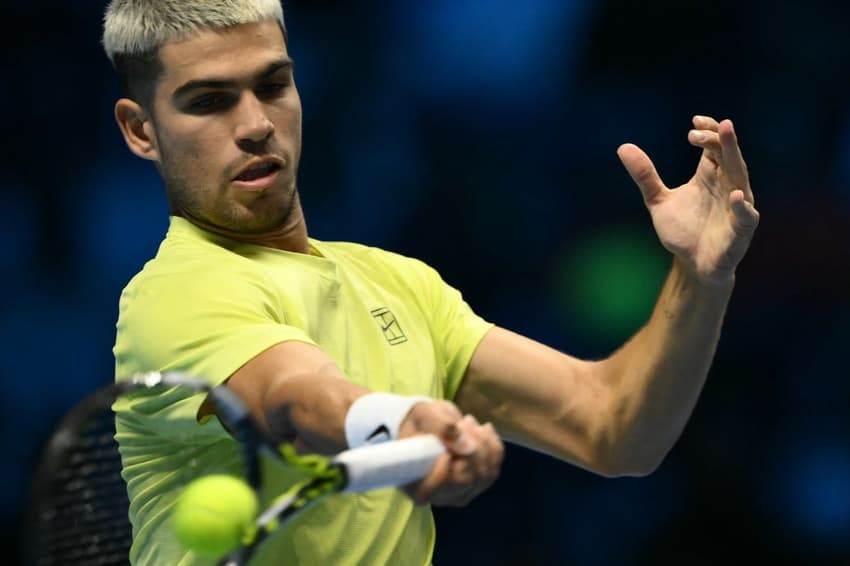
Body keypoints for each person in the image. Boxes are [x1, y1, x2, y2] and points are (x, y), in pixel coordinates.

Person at [103, 1, 759, 564]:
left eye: (273, 85)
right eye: (209, 101)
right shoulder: (173, 295)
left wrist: (700, 279)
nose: (254, 124)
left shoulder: (399, 284)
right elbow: (292, 399)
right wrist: (403, 420)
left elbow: (613, 427)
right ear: (141, 130)